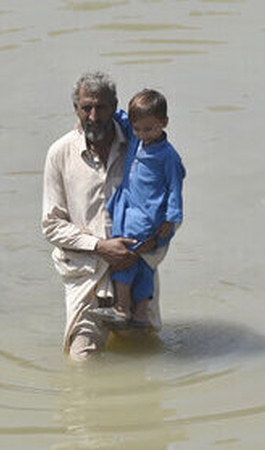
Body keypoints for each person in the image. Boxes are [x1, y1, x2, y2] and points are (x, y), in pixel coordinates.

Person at [42, 72, 168, 361]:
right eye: (87, 108)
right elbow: (51, 226)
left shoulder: (141, 147)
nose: (94, 116)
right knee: (82, 360)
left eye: (102, 108)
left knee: (143, 360)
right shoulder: (60, 153)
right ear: (76, 108)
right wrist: (100, 246)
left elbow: (163, 208)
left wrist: (146, 246)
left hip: (135, 268)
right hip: (86, 274)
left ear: (115, 107)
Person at [93, 89, 185, 328]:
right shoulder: (136, 139)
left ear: (164, 123)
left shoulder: (168, 155)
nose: (143, 134)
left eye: (149, 129)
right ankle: (141, 313)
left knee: (125, 256)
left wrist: (171, 218)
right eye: (138, 129)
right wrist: (109, 108)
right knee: (144, 263)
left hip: (147, 215)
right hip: (128, 207)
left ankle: (122, 307)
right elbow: (123, 118)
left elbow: (175, 187)